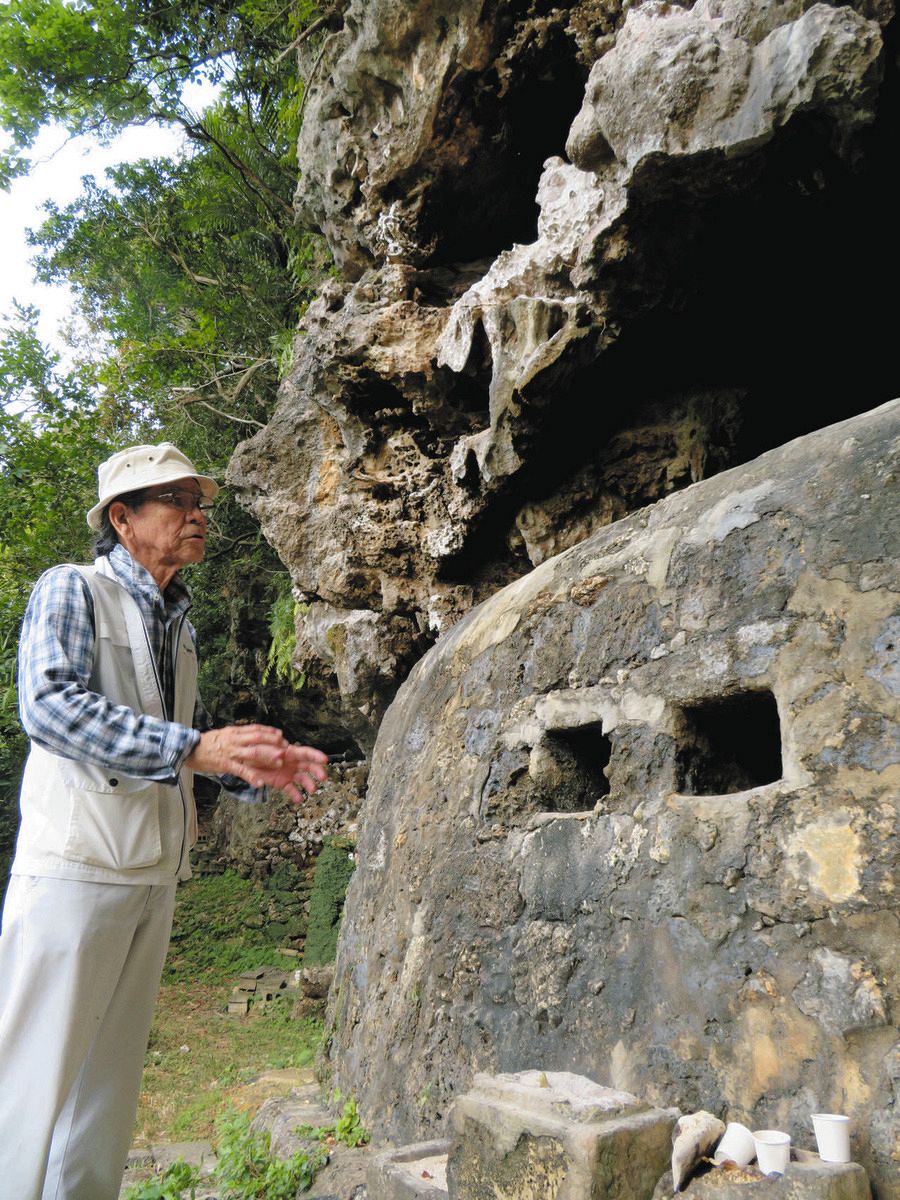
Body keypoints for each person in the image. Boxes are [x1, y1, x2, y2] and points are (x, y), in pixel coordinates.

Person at [0, 442, 328, 1200]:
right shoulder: (72, 590)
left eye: (198, 500)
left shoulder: (178, 622)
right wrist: (196, 747)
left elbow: (190, 739)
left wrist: (248, 770)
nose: (197, 514)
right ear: (122, 519)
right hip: (75, 871)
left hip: (151, 879)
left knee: (102, 1101)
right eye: (176, 500)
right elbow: (48, 706)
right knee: (27, 1086)